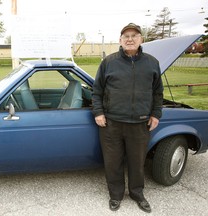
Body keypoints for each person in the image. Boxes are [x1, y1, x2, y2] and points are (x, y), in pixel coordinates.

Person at [92, 23, 163, 213]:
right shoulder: (109, 62)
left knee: (137, 162)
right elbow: (96, 90)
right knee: (112, 162)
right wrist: (98, 112)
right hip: (111, 124)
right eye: (126, 36)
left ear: (141, 39)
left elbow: (157, 92)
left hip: (140, 124)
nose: (130, 39)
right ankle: (115, 196)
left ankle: (137, 193)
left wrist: (156, 114)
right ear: (120, 40)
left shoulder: (152, 62)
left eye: (134, 35)